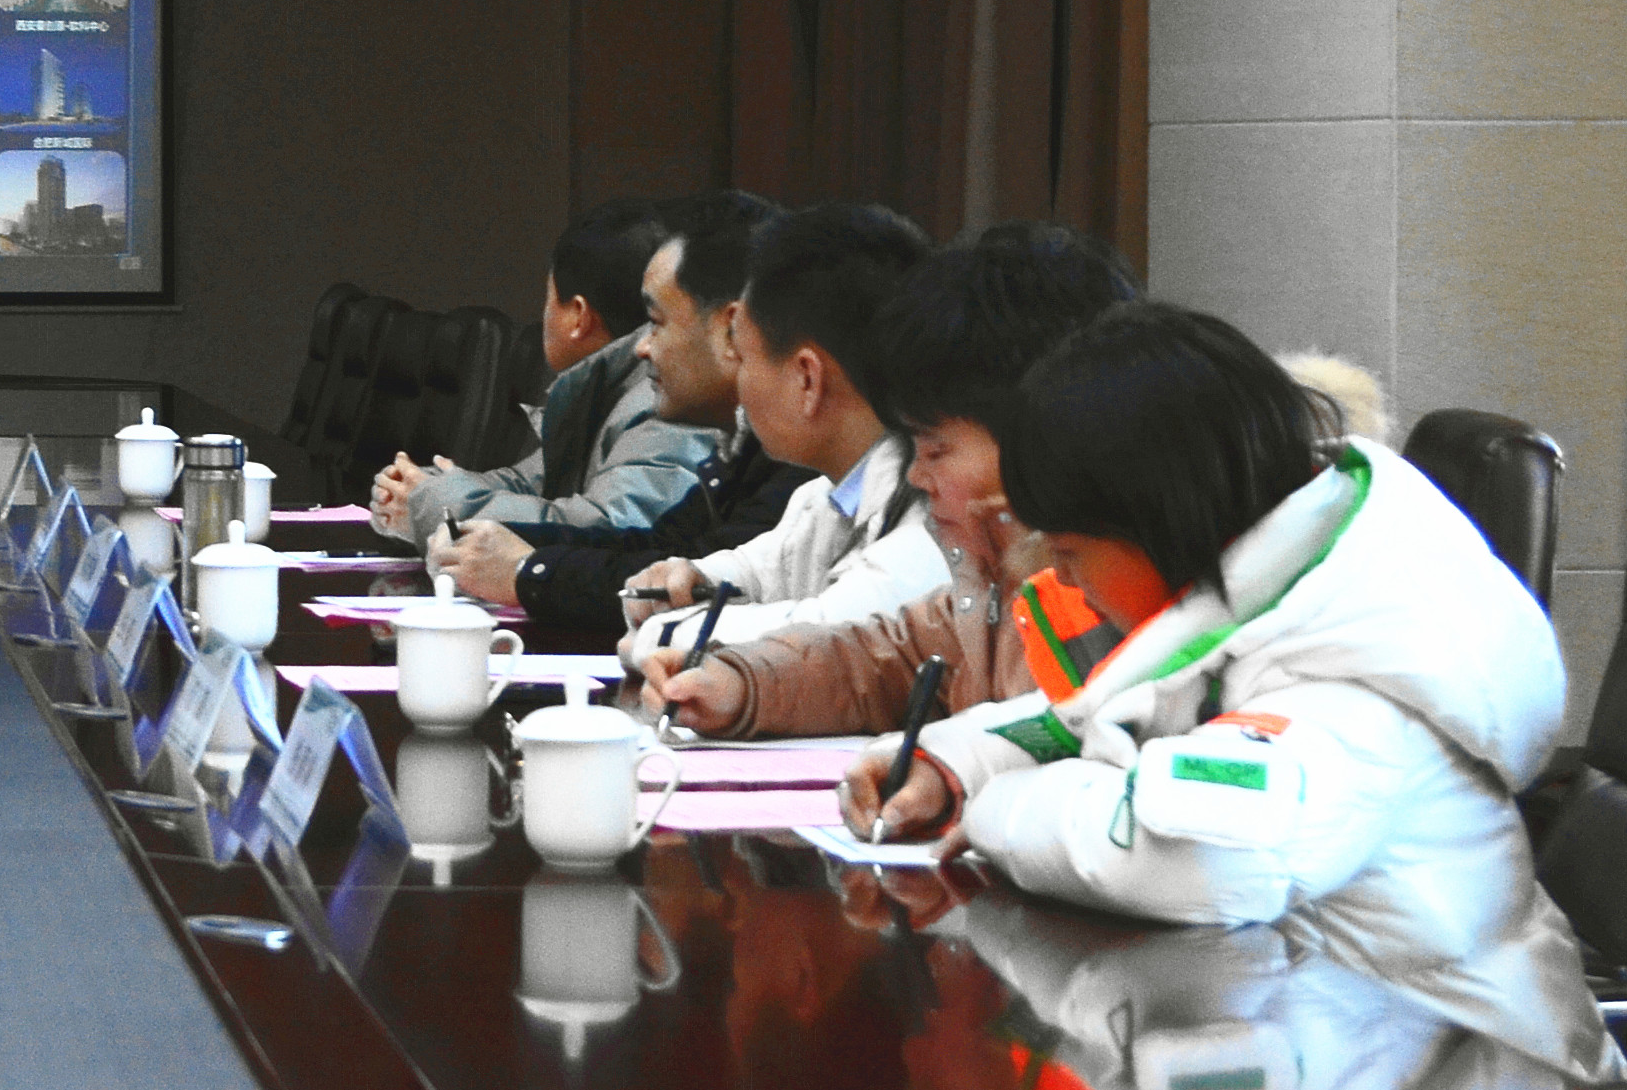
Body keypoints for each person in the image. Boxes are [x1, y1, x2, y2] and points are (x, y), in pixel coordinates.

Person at [835, 301, 1609, 1078]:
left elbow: (1197, 859)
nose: (1063, 579)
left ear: (1160, 517)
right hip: (1323, 1064)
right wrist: (954, 764)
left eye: (1071, 552)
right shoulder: (1271, 597)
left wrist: (994, 809)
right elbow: (1110, 714)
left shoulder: (1354, 690)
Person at [643, 221, 1138, 739]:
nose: (916, 475)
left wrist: (948, 769)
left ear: (1039, 437)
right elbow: (883, 659)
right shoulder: (992, 572)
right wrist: (742, 685)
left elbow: (1065, 743)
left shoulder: (1109, 592)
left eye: (936, 449)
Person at [445, 189, 805, 630]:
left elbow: (695, 582)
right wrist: (494, 543)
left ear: (733, 330)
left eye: (656, 323)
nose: (641, 348)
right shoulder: (752, 445)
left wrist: (528, 571)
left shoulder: (807, 468)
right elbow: (661, 548)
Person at [621, 201, 936, 658]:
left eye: (745, 358)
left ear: (807, 379)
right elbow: (762, 568)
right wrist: (695, 578)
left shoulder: (934, 512)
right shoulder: (831, 494)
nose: (740, 381)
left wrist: (659, 634)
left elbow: (824, 637)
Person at [369, 197, 708, 545]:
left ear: (579, 316)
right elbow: (527, 483)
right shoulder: (607, 390)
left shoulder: (664, 397)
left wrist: (432, 502)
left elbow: (609, 532)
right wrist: (426, 486)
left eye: (548, 297)